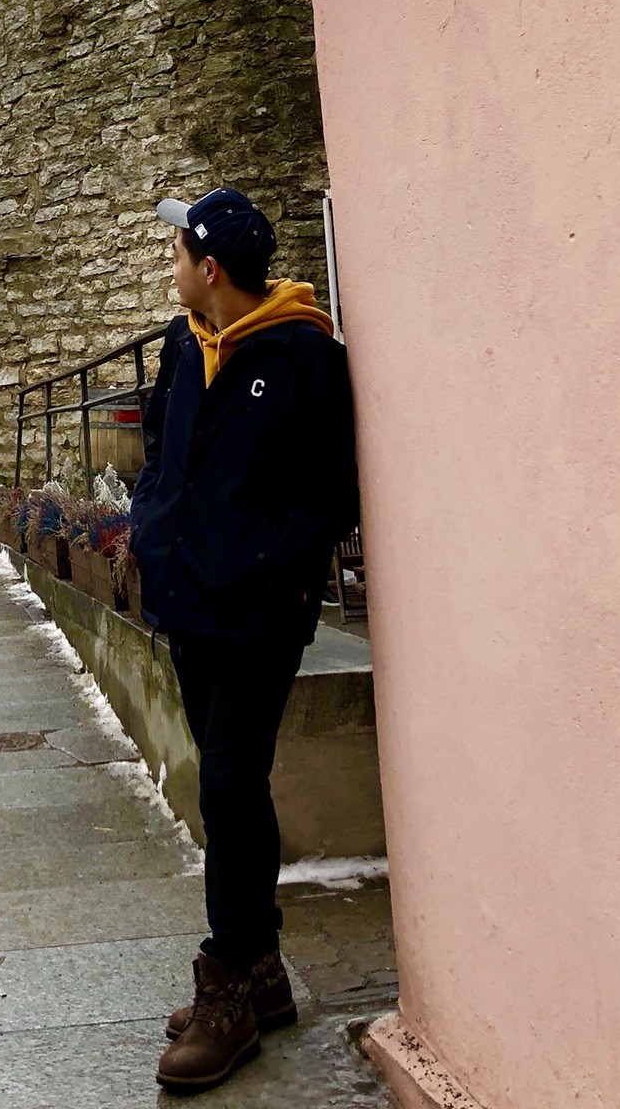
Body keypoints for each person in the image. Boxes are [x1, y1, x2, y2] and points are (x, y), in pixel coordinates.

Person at [130, 187, 356, 1093]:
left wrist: (268, 564)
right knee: (234, 786)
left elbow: (330, 490)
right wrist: (152, 527)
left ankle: (225, 984)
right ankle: (262, 976)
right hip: (188, 603)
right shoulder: (187, 347)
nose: (172, 268)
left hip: (259, 611)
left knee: (225, 780)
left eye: (178, 254)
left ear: (209, 268)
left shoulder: (305, 355)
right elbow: (158, 447)